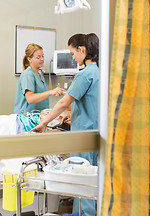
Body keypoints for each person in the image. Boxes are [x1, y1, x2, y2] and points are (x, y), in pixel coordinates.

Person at [31, 33, 99, 216]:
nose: (73, 58)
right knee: (91, 180)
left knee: (82, 181)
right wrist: (72, 115)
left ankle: (84, 213)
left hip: (83, 136)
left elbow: (62, 103)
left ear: (82, 50)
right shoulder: (99, 71)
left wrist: (44, 122)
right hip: (92, 131)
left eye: (73, 53)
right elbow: (88, 102)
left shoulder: (85, 74)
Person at [14, 43, 66, 114]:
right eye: (38, 57)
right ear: (29, 59)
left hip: (38, 116)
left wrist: (55, 92)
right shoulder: (28, 74)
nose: (42, 59)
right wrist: (51, 92)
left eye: (43, 56)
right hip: (26, 117)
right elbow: (30, 99)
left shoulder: (39, 74)